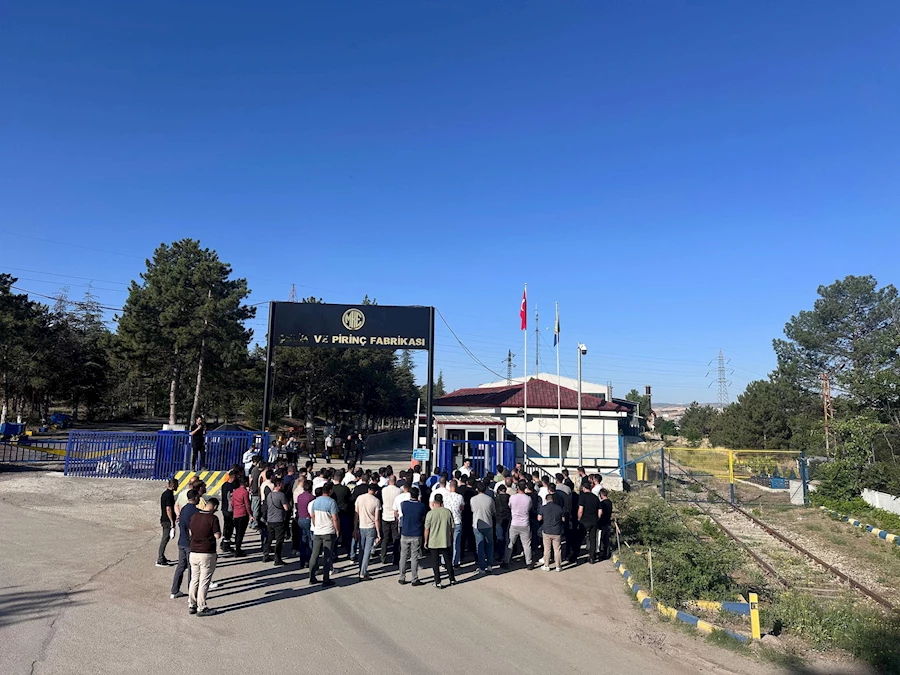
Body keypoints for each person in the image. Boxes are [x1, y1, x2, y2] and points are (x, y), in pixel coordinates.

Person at [188, 497, 221, 616]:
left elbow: (190, 532)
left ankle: (192, 604)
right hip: (206, 553)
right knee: (204, 581)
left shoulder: (195, 516)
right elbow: (217, 535)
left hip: (193, 552)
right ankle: (201, 607)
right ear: (215, 507)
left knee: (194, 579)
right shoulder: (213, 518)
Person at [171, 489, 200, 599]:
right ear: (195, 498)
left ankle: (174, 590)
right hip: (190, 543)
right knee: (192, 568)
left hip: (182, 541)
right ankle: (192, 593)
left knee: (181, 566)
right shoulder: (195, 512)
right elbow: (193, 529)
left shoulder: (184, 509)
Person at [309, 482, 339, 586]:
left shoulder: (315, 501)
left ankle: (311, 576)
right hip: (328, 531)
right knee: (327, 556)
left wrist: (316, 525)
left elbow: (313, 516)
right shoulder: (331, 502)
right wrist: (337, 530)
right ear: (330, 491)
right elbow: (335, 518)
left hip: (317, 531)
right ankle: (326, 579)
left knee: (315, 555)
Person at [424, 493, 456, 588]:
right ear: (442, 502)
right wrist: (451, 537)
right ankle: (452, 579)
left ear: (434, 502)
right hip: (445, 540)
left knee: (435, 562)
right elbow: (452, 527)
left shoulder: (430, 513)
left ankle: (437, 581)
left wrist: (426, 541)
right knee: (448, 561)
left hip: (434, 541)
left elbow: (427, 529)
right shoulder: (447, 512)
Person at [398, 487, 427, 586]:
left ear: (410, 494)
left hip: (405, 532)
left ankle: (402, 577)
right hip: (416, 533)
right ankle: (414, 578)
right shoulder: (421, 506)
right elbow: (423, 517)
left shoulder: (404, 504)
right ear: (418, 495)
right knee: (414, 557)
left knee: (403, 556)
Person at [503, 480, 534, 569]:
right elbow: (529, 508)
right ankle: (529, 562)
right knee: (526, 544)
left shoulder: (512, 497)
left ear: (517, 487)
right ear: (525, 487)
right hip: (525, 523)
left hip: (514, 523)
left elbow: (510, 506)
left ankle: (506, 561)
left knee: (510, 543)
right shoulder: (528, 498)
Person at [354, 482, 382, 580]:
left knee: (361, 549)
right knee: (367, 551)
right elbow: (376, 519)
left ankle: (360, 568)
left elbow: (356, 515)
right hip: (371, 527)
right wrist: (378, 533)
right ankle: (363, 572)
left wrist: (355, 528)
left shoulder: (359, 498)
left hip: (361, 526)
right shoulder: (376, 501)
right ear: (376, 491)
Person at [470, 482, 496, 575]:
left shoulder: (473, 499)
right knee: (489, 545)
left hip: (477, 524)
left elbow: (472, 510)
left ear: (477, 489)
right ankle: (489, 565)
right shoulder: (490, 499)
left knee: (480, 546)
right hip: (488, 524)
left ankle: (482, 567)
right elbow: (493, 511)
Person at [265, 478, 290, 566]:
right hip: (279, 520)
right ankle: (277, 558)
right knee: (279, 540)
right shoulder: (281, 495)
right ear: (279, 485)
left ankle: (265, 555)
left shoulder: (269, 495)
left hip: (270, 519)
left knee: (269, 539)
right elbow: (286, 508)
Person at [538, 492, 565, 572]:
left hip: (547, 530)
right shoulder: (559, 508)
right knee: (557, 549)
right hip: (557, 531)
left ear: (546, 500)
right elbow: (563, 519)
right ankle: (558, 566)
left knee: (547, 549)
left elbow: (539, 518)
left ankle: (546, 565)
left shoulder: (543, 508)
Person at [379, 475, 402, 565]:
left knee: (385, 538)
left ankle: (383, 557)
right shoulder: (399, 491)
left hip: (385, 515)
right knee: (395, 537)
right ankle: (395, 558)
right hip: (394, 516)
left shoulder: (384, 490)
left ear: (389, 481)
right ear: (395, 481)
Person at [577, 479, 601, 564]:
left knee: (579, 538)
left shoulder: (582, 497)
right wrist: (597, 519)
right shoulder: (595, 497)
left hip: (584, 521)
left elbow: (580, 510)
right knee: (592, 539)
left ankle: (574, 556)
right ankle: (592, 557)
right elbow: (600, 511)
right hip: (594, 520)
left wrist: (579, 519)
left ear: (584, 488)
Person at [331, 470, 353, 560]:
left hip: (334, 514)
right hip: (345, 513)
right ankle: (349, 553)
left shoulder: (331, 489)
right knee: (347, 535)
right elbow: (350, 499)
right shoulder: (345, 489)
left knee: (335, 534)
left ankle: (334, 553)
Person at [231, 476, 253, 557]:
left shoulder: (235, 491)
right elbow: (247, 505)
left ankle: (237, 548)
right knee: (241, 533)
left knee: (237, 532)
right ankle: (238, 549)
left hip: (236, 513)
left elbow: (232, 503)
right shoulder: (245, 492)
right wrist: (251, 514)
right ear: (246, 483)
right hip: (243, 514)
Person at [444, 480, 465, 568]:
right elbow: (462, 508)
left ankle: (444, 561)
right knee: (456, 542)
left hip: (447, 522)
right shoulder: (460, 497)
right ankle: (455, 561)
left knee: (446, 542)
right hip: (457, 521)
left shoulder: (445, 496)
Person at [157, 478, 177, 567]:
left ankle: (162, 557)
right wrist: (172, 521)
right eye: (176, 485)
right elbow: (168, 509)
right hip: (167, 520)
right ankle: (160, 559)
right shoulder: (169, 495)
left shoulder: (165, 493)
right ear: (173, 486)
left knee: (166, 538)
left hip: (164, 519)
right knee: (165, 539)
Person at [295, 479, 315, 567]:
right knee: (311, 540)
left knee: (303, 540)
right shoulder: (311, 498)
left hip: (301, 519)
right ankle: (309, 559)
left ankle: (302, 560)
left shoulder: (300, 496)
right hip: (308, 519)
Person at [220, 470, 237, 553]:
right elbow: (230, 498)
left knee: (226, 525)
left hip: (224, 508)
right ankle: (226, 543)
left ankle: (225, 540)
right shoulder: (231, 487)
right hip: (229, 509)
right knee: (229, 526)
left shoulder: (224, 485)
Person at [494, 483, 511, 564]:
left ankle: (500, 555)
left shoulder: (496, 499)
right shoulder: (509, 497)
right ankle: (507, 554)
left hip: (499, 519)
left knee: (500, 538)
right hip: (507, 518)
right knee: (507, 537)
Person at [598, 488, 613, 560]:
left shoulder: (602, 503)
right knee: (607, 539)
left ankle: (603, 554)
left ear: (601, 494)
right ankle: (607, 553)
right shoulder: (610, 502)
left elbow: (600, 513)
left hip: (603, 522)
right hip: (608, 521)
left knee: (602, 539)